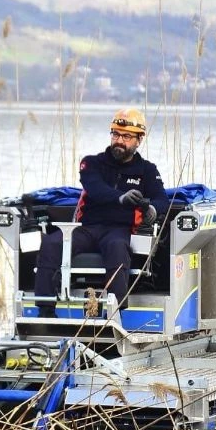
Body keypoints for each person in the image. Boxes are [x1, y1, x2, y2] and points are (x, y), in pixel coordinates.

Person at [34, 107, 168, 318]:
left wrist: (152, 209)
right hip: (87, 228)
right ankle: (45, 310)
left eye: (126, 137)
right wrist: (120, 198)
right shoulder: (92, 163)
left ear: (139, 140)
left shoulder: (147, 170)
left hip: (119, 230)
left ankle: (114, 314)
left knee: (117, 247)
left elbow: (162, 200)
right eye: (115, 134)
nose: (119, 141)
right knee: (51, 243)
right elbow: (95, 188)